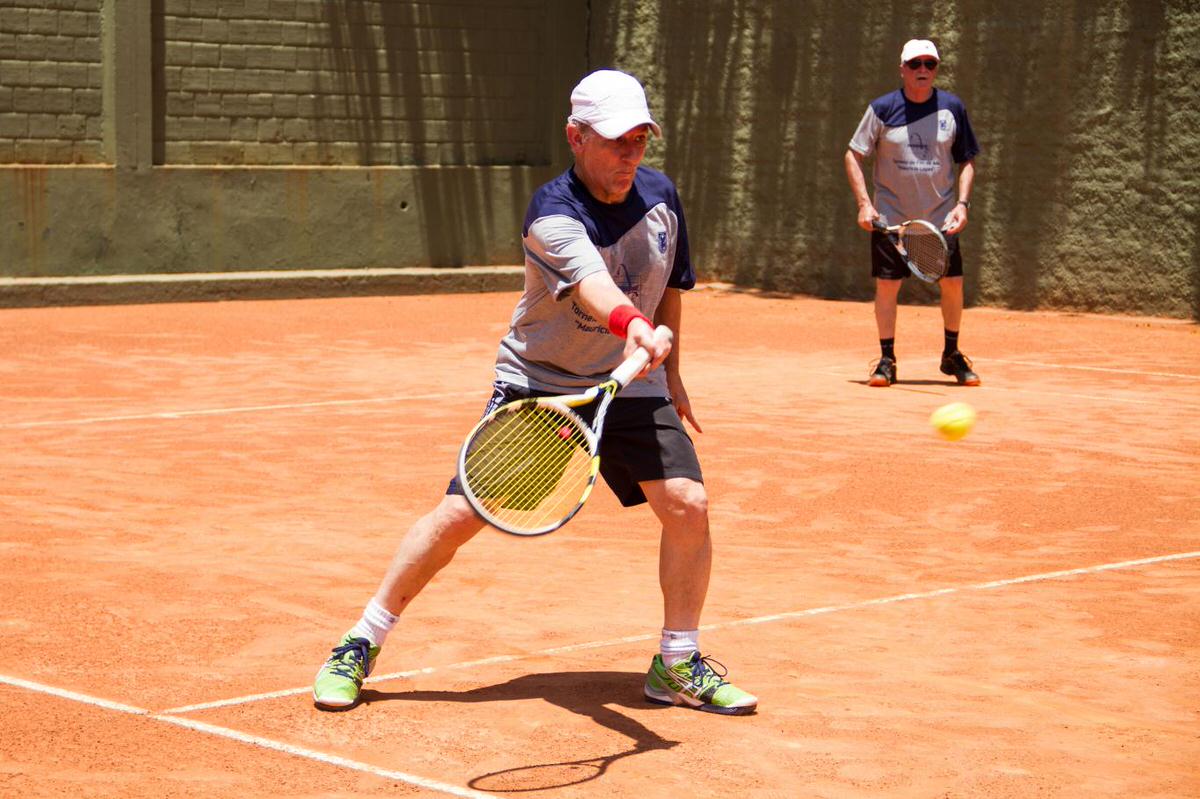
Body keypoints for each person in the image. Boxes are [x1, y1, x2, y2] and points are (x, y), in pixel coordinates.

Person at [313, 69, 757, 716]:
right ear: (576, 137)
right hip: (542, 384)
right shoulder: (551, 215)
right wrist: (634, 327)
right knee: (459, 515)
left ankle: (678, 662)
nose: (630, 154)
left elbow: (669, 290)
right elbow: (595, 285)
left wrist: (674, 370)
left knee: (688, 505)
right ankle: (361, 640)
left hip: (634, 384)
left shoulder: (661, 196)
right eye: (616, 141)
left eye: (639, 139)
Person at [844, 39, 982, 387]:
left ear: (936, 69)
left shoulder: (952, 108)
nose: (923, 70)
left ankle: (951, 355)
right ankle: (887, 360)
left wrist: (962, 205)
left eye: (929, 64)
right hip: (891, 220)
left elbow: (967, 160)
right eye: (915, 64)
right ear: (902, 69)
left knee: (953, 283)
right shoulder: (882, 108)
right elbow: (853, 154)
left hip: (940, 220)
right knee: (887, 286)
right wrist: (864, 204)